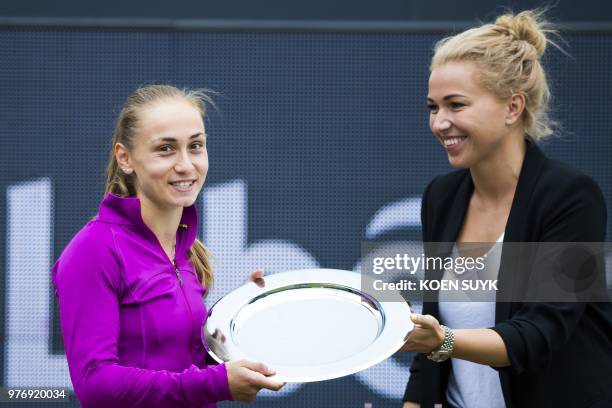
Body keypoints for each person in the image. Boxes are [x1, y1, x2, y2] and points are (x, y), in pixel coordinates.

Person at [401, 10, 612, 408]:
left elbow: (540, 333)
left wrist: (443, 341)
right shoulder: (441, 196)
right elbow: (429, 347)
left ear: (513, 108)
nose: (439, 123)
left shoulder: (571, 196)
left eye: (456, 105)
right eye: (433, 107)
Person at [52, 85, 283, 408]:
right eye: (166, 149)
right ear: (125, 158)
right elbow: (96, 385)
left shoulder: (187, 250)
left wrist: (242, 320)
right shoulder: (93, 250)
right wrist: (217, 382)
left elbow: (178, 367)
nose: (186, 164)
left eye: (196, 146)